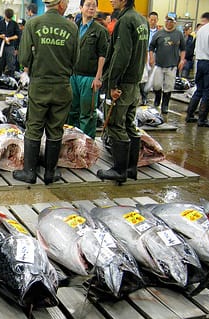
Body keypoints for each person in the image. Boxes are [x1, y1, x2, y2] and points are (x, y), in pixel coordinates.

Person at [13, 0, 78, 185]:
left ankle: (29, 172)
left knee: (34, 127)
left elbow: (24, 58)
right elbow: (76, 60)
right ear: (61, 4)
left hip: (40, 84)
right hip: (62, 86)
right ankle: (50, 172)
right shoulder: (71, 28)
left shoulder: (33, 23)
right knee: (55, 130)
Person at [96, 0, 148, 184]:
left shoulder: (126, 21)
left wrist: (113, 83)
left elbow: (121, 54)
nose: (111, 0)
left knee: (116, 124)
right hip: (134, 83)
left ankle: (119, 170)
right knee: (129, 124)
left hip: (123, 83)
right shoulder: (142, 20)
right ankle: (131, 168)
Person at [67, 0, 108, 139]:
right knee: (72, 111)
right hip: (73, 76)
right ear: (81, 8)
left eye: (94, 5)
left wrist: (98, 77)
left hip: (89, 78)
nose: (91, 8)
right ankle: (71, 141)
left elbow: (103, 55)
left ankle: (86, 145)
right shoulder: (74, 27)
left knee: (88, 114)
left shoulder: (100, 30)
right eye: (88, 5)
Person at [149, 15, 185, 115]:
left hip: (172, 65)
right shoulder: (159, 33)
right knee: (156, 84)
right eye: (168, 21)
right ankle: (157, 97)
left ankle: (165, 105)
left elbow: (183, 49)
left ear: (175, 23)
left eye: (171, 21)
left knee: (169, 86)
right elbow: (151, 47)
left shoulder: (179, 34)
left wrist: (182, 60)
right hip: (159, 64)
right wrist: (151, 57)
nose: (169, 23)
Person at [140, 11, 158, 105]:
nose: (153, 21)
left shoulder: (158, 33)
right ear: (148, 19)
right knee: (143, 76)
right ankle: (143, 97)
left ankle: (146, 95)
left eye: (155, 20)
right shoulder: (144, 30)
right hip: (143, 54)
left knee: (151, 77)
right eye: (151, 20)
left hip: (154, 55)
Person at [0, 8, 19, 77]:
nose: (8, 19)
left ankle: (10, 78)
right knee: (0, 62)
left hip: (10, 46)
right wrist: (1, 36)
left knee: (11, 63)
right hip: (1, 45)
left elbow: (17, 35)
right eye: (7, 18)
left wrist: (9, 38)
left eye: (10, 18)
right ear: (5, 16)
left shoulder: (14, 24)